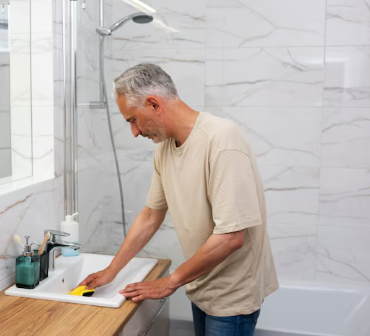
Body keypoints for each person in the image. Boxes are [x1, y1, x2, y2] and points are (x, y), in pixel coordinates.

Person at [78, 64, 279, 336]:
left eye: (132, 120)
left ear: (153, 104)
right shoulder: (164, 151)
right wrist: (112, 270)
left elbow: (232, 237)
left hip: (233, 292)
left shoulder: (221, 140)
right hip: (201, 282)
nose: (134, 132)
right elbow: (150, 215)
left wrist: (170, 282)